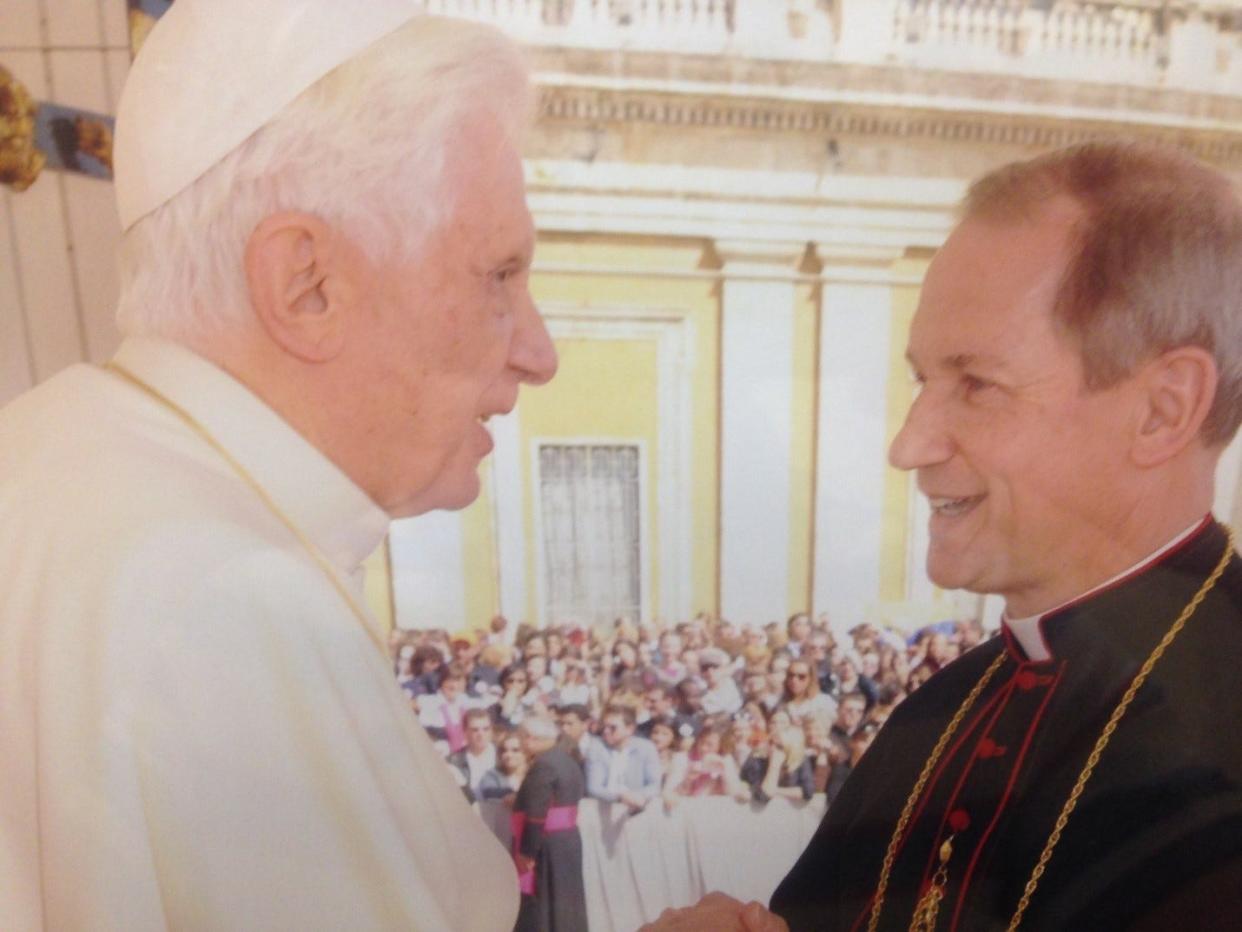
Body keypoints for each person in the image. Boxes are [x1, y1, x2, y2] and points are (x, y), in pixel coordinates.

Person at [0, 4, 557, 929]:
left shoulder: (46, 445)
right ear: (306, 286)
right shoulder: (232, 596)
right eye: (497, 276)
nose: (538, 351)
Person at [651, 140, 1242, 931]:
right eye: (921, 381)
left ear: (1163, 410)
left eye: (977, 385)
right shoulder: (942, 711)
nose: (908, 444)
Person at [513, 716, 588, 932]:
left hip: (547, 843)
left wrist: (527, 852)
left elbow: (536, 814)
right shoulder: (567, 760)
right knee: (567, 901)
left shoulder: (543, 765)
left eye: (520, 738)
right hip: (568, 840)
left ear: (530, 739)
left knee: (546, 903)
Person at [585, 704, 663, 813]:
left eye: (612, 728)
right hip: (604, 808)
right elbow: (594, 787)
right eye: (604, 726)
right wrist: (621, 797)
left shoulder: (646, 748)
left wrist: (639, 796)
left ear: (630, 729)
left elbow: (654, 785)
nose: (606, 731)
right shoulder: (597, 746)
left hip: (636, 809)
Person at [448, 708, 498, 802]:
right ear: (465, 732)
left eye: (486, 729)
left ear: (492, 730)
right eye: (475, 730)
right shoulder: (454, 761)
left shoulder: (503, 756)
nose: (481, 734)